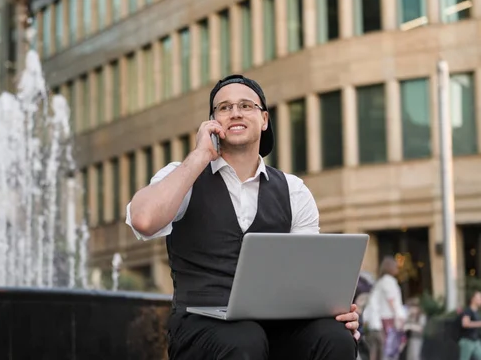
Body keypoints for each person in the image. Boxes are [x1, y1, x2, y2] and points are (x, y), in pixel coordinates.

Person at [126, 74, 360, 359]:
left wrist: (334, 311)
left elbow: (307, 278)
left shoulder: (293, 190)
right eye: (223, 108)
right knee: (244, 339)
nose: (234, 112)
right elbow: (144, 219)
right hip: (201, 327)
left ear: (264, 119)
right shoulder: (183, 175)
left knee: (335, 338)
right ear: (212, 122)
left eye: (245, 105)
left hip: (274, 325)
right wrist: (200, 156)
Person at [363, 256, 407, 360]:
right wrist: (399, 317)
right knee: (390, 350)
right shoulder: (389, 281)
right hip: (388, 319)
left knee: (379, 351)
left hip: (380, 320)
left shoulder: (380, 282)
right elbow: (391, 300)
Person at [459, 290, 481, 360]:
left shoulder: (476, 312)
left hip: (475, 341)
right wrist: (479, 323)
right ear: (473, 299)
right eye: (479, 297)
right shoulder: (468, 310)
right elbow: (465, 323)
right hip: (467, 341)